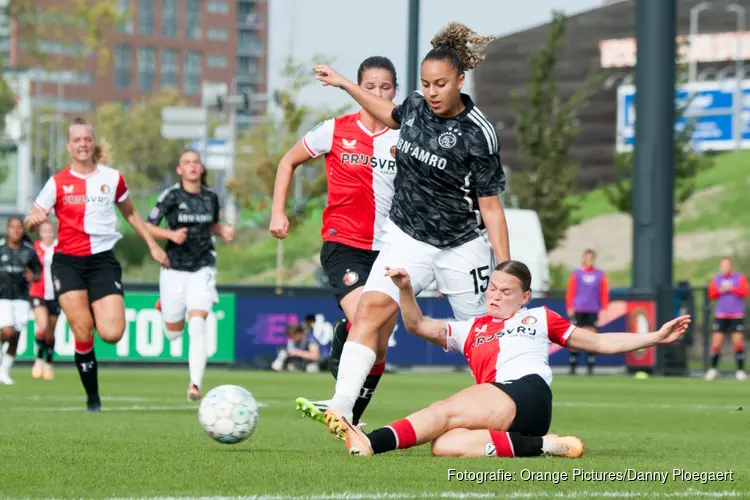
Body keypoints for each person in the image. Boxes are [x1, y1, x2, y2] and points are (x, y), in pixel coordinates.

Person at [300, 23, 511, 435]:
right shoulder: (414, 107)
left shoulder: (479, 134)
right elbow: (387, 113)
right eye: (426, 84)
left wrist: (504, 266)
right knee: (370, 312)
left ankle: (503, 410)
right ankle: (342, 408)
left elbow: (491, 206)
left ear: (461, 81)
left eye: (441, 84)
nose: (432, 92)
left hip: (460, 245)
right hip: (406, 236)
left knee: (480, 338)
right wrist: (344, 84)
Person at [306, 260, 691, 457]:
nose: (495, 295)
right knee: (447, 445)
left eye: (506, 290)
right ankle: (545, 446)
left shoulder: (539, 317)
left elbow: (601, 343)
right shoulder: (471, 327)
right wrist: (405, 289)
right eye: (492, 288)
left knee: (446, 410)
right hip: (508, 410)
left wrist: (654, 337)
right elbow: (418, 325)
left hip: (526, 392)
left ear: (525, 296)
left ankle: (370, 441)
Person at [270, 56, 402, 425]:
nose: (378, 93)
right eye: (370, 86)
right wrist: (278, 212)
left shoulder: (405, 137)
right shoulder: (334, 129)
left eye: (386, 87)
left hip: (392, 249)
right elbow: (287, 162)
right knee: (366, 321)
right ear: (358, 89)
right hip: (345, 244)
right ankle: (346, 338)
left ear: (396, 91)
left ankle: (351, 420)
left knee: (378, 346)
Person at [24, 117, 168, 412]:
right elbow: (30, 218)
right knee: (83, 333)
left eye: (87, 139)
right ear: (69, 145)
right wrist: (33, 220)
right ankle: (93, 399)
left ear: (93, 143)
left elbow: (131, 214)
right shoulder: (57, 182)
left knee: (113, 334)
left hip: (102, 262)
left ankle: (90, 305)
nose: (82, 144)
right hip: (68, 264)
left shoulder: (112, 178)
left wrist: (152, 244)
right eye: (76, 140)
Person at [146, 149, 234, 401]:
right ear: (179, 169)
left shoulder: (211, 197)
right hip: (174, 268)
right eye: (187, 162)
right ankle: (166, 308)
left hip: (203, 267)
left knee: (197, 324)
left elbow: (212, 225)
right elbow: (147, 225)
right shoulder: (171, 196)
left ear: (202, 168)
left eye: (196, 162)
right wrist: (171, 235)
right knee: (173, 333)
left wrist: (223, 231)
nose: (193, 166)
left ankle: (195, 384)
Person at [0, 217, 42, 385]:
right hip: (2, 297)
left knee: (15, 336)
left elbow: (38, 272)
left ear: (23, 231)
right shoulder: (1, 249)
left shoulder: (29, 252)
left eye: (19, 228)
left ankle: (4, 371)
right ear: (7, 229)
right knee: (8, 332)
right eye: (13, 227)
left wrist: (34, 276)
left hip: (22, 298)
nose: (16, 231)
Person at [565, 249, 609, 375]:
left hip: (593, 308)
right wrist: (570, 306)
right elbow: (571, 291)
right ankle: (573, 363)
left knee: (591, 334)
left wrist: (604, 308)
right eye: (586, 257)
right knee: (574, 334)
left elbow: (604, 292)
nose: (588, 260)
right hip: (579, 308)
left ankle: (590, 362)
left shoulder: (599, 275)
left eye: (590, 258)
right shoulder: (576, 274)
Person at [705, 257, 748, 381]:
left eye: (727, 265)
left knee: (738, 343)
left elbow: (745, 292)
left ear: (731, 266)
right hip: (721, 315)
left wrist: (732, 289)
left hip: (736, 315)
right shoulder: (717, 279)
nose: (725, 268)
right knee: (716, 343)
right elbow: (711, 295)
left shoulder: (738, 278)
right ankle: (713, 369)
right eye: (723, 265)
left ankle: (740, 371)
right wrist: (720, 290)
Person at [29, 220, 59, 381]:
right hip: (38, 292)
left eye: (50, 230)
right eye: (44, 230)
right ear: (40, 233)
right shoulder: (34, 248)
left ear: (54, 232)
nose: (47, 233)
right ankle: (39, 359)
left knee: (50, 332)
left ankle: (48, 361)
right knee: (43, 326)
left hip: (55, 294)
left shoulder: (59, 248)